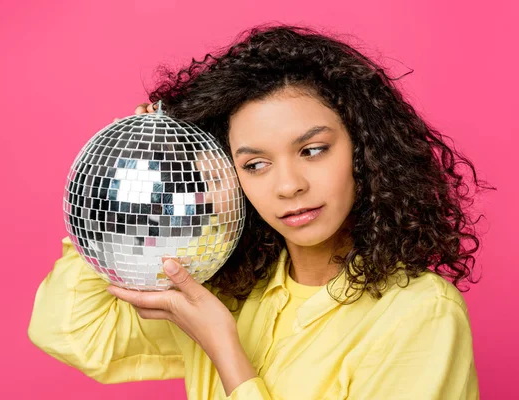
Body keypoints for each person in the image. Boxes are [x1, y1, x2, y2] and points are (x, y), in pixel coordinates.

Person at [28, 24, 492, 399]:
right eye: (255, 164)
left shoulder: (419, 314)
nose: (289, 186)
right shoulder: (228, 288)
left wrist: (224, 350)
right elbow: (70, 331)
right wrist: (122, 185)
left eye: (312, 150)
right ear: (230, 177)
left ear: (364, 149)